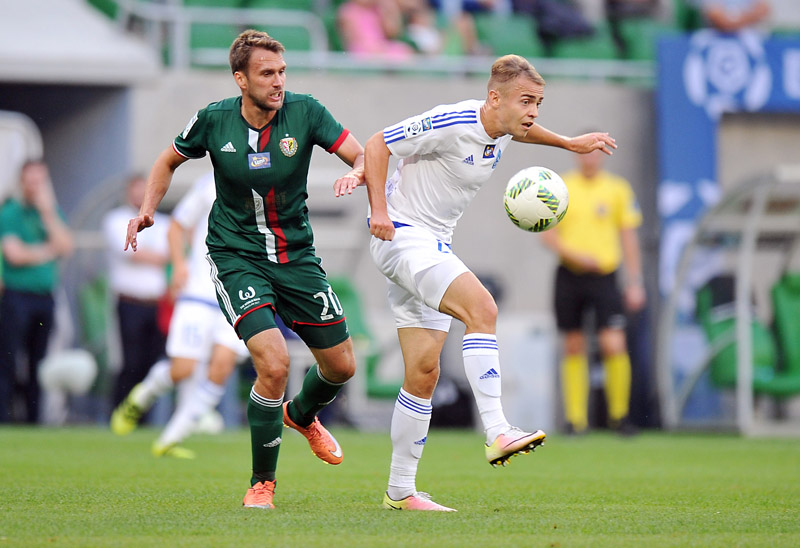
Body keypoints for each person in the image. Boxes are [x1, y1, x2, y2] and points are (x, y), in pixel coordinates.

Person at [124, 29, 365, 510]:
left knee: (341, 366)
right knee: (273, 364)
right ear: (240, 79)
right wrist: (149, 208)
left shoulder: (307, 112)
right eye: (266, 73)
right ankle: (262, 484)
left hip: (296, 257)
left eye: (281, 72)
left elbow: (360, 152)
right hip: (236, 257)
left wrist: (357, 171)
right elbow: (167, 160)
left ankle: (301, 415)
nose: (278, 82)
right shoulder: (213, 121)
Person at [365, 54, 616, 511]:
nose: (533, 112)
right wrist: (379, 210)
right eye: (526, 101)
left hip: (430, 243)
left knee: (423, 373)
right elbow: (379, 143)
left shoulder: (502, 130)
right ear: (494, 97)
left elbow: (527, 131)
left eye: (538, 102)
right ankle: (498, 429)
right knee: (483, 309)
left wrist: (569, 144)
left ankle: (400, 491)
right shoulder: (454, 120)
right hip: (403, 236)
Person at [110, 172, 249, 459]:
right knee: (183, 368)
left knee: (222, 367)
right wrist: (179, 265)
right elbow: (177, 225)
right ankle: (144, 394)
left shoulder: (269, 183)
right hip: (199, 293)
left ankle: (172, 437)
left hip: (237, 297)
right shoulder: (210, 182)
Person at [539, 147, 644, 435]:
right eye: (585, 153)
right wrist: (576, 255)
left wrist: (635, 281)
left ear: (602, 158)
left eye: (595, 154)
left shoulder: (617, 189)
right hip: (569, 275)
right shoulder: (562, 187)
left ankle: (619, 417)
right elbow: (547, 235)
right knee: (573, 343)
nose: (589, 159)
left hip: (606, 277)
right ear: (578, 156)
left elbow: (628, 235)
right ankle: (576, 420)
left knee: (613, 344)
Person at [0, 159, 74, 423]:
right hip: (16, 295)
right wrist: (47, 251)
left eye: (39, 181)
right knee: (8, 360)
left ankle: (33, 420)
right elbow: (14, 255)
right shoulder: (10, 212)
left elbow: (65, 246)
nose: (35, 187)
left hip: (45, 296)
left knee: (38, 363)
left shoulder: (50, 213)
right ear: (22, 182)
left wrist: (48, 214)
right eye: (31, 181)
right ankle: (5, 420)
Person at [103, 174, 170, 410]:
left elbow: (171, 252)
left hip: (155, 303)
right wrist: (156, 255)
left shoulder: (163, 222)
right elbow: (133, 252)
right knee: (129, 362)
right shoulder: (116, 219)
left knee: (151, 363)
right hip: (129, 302)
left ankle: (142, 416)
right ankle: (120, 411)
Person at [695, 0, 770, 32]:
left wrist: (734, 21)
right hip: (716, 41)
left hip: (751, 40)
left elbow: (763, 9)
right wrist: (749, 17)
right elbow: (720, 20)